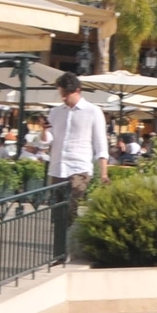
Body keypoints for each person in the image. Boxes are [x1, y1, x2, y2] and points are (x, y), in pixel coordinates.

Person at [46, 72, 111, 257]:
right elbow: (47, 140)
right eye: (61, 94)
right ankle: (59, 251)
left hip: (79, 168)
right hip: (57, 167)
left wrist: (103, 173)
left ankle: (67, 250)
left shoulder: (93, 111)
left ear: (78, 91)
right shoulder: (55, 112)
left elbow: (100, 144)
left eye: (67, 94)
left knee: (71, 209)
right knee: (57, 212)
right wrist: (44, 132)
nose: (64, 98)